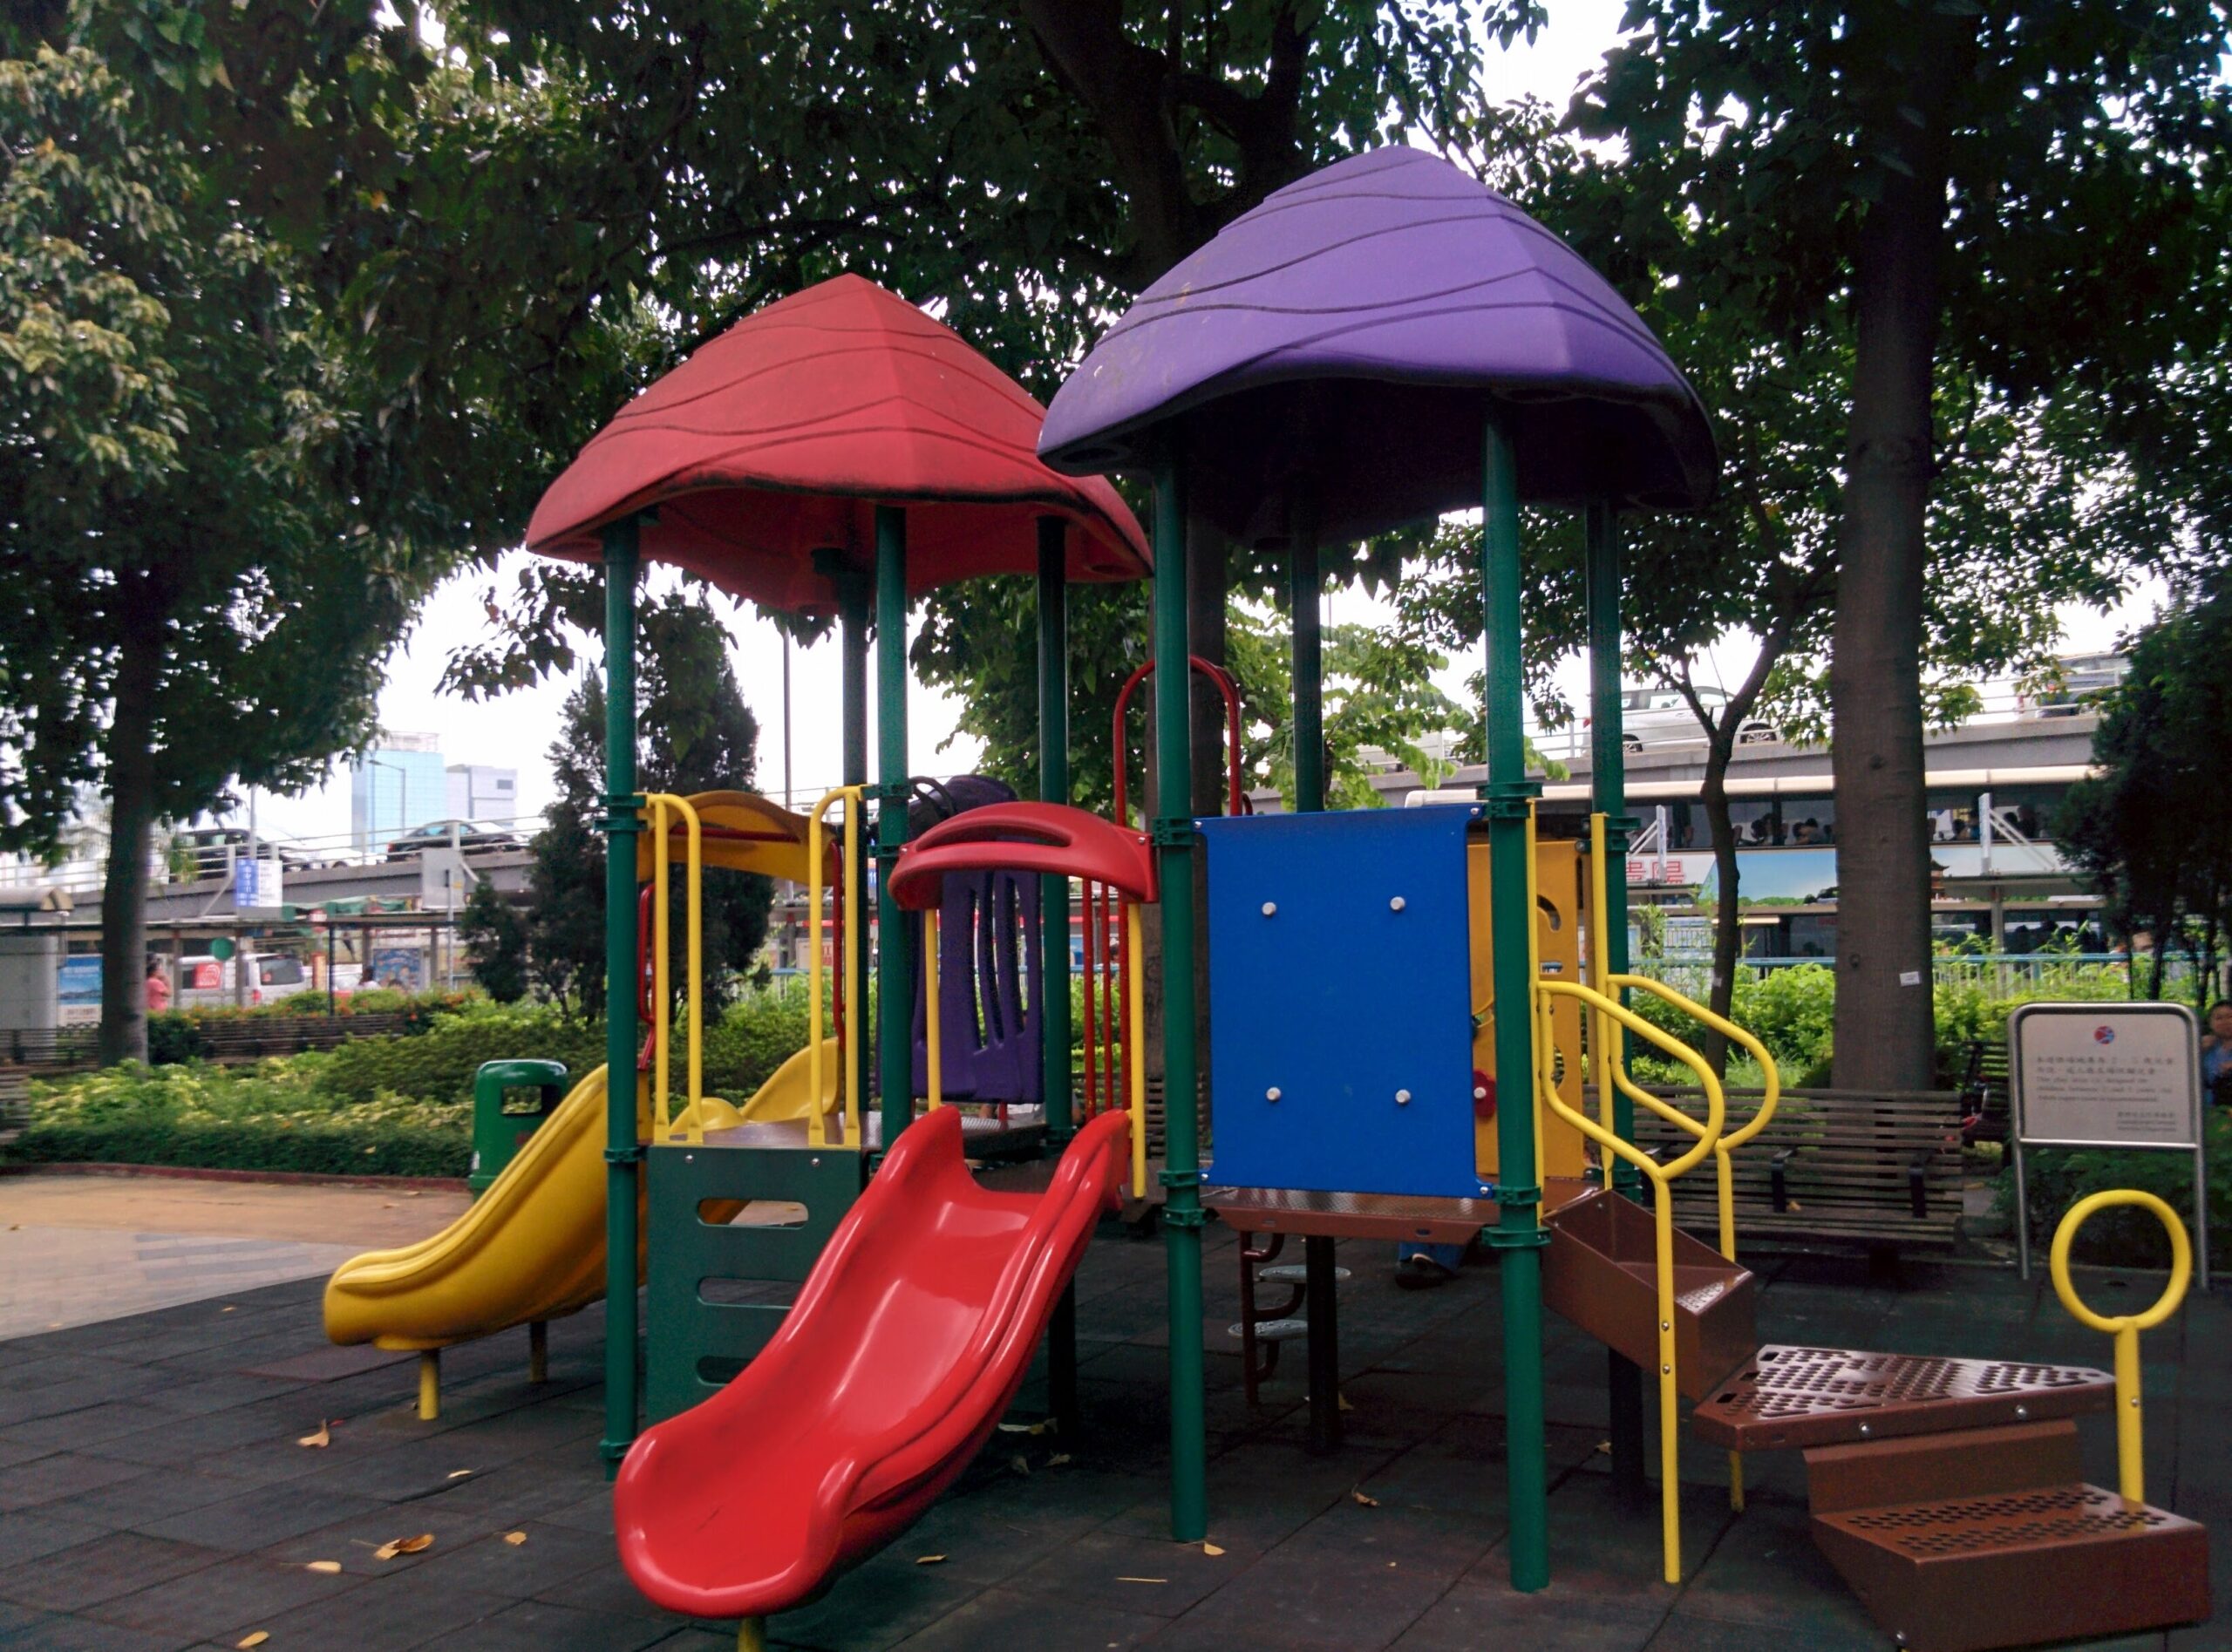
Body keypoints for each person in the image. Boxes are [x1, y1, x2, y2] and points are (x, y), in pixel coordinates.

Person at [2202, 1000, 2232, 1108]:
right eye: (2219, 1018)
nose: (2225, 1022)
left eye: (2230, 1017)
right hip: (2209, 1108)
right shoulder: (2202, 1047)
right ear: (2210, 1023)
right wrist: (2196, 1050)